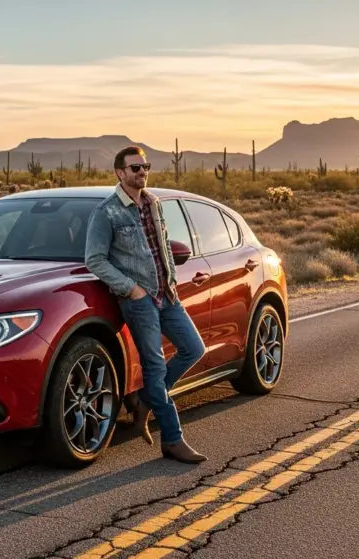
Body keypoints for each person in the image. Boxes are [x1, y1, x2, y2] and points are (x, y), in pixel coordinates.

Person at [84, 145, 207, 464]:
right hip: (138, 301)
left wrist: (173, 282)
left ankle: (143, 399)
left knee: (193, 348)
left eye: (145, 166)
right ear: (120, 173)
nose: (142, 172)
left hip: (166, 295)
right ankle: (172, 439)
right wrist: (131, 289)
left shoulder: (153, 203)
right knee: (154, 366)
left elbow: (163, 245)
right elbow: (94, 259)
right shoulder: (107, 212)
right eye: (135, 168)